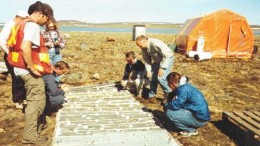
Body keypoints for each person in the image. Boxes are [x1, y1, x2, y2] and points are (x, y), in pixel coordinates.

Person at [6, 1, 56, 144]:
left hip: (19, 69)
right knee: (36, 102)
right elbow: (25, 46)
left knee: (34, 100)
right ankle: (30, 136)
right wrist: (33, 68)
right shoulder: (33, 26)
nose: (46, 21)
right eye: (46, 18)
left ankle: (35, 129)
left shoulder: (20, 24)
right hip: (28, 71)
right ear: (40, 14)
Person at [163, 72, 210, 137]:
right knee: (170, 104)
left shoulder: (183, 90)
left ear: (173, 84)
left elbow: (175, 106)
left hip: (200, 119)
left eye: (168, 84)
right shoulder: (184, 85)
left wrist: (167, 105)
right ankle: (181, 123)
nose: (168, 86)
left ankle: (190, 130)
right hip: (200, 114)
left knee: (170, 113)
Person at [0, 10, 29, 108]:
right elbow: (2, 40)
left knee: (22, 77)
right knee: (16, 77)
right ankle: (18, 100)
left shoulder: (18, 25)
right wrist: (9, 53)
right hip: (12, 55)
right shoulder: (10, 25)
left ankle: (23, 97)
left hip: (19, 55)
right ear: (20, 18)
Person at [135, 35, 174, 103]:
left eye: (140, 45)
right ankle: (151, 97)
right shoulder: (144, 48)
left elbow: (166, 55)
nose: (140, 47)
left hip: (167, 59)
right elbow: (147, 60)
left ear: (145, 41)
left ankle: (169, 95)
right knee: (152, 78)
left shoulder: (155, 43)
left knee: (161, 78)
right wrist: (149, 71)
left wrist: (162, 68)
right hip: (157, 61)